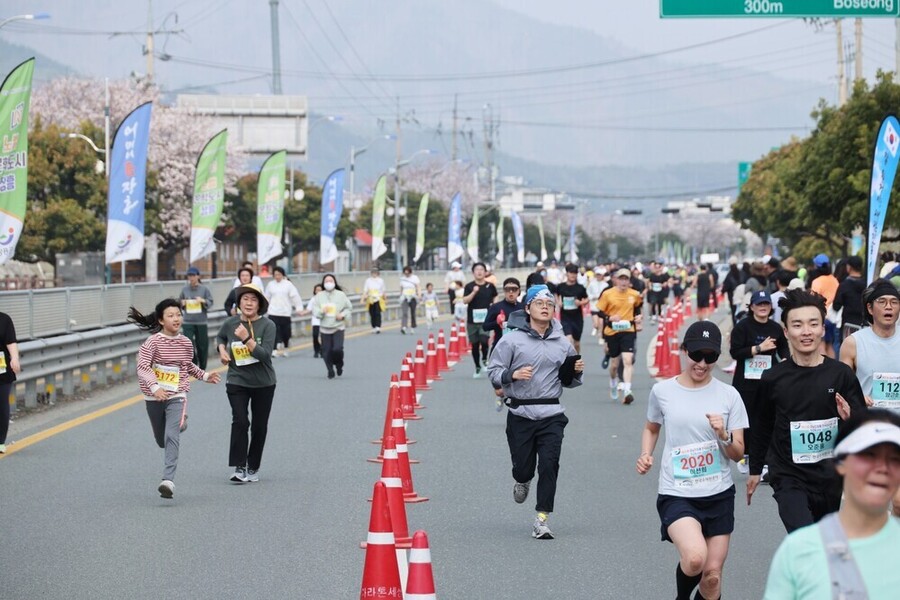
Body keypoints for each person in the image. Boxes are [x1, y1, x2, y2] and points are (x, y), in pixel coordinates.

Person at [637, 321, 748, 600]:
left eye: (710, 357)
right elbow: (652, 427)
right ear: (684, 350)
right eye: (696, 355)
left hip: (718, 493)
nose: (702, 363)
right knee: (696, 558)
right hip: (678, 492)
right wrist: (646, 453)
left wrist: (723, 435)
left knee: (712, 578)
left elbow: (738, 453)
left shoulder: (730, 395)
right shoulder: (663, 391)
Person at [747, 288, 867, 532]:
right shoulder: (772, 378)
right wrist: (755, 470)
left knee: (823, 541)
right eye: (797, 325)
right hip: (788, 476)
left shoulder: (841, 374)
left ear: (823, 328)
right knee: (805, 536)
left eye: (813, 324)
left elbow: (864, 426)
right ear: (786, 331)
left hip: (830, 477)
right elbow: (762, 425)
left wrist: (850, 419)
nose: (806, 331)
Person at [763, 410, 900, 599]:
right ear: (840, 462)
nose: (882, 468)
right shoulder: (798, 550)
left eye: (895, 459)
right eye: (869, 455)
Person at [487, 284, 584, 540]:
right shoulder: (511, 340)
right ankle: (522, 479)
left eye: (549, 304)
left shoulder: (563, 343)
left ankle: (542, 519)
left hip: (552, 413)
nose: (545, 307)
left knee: (550, 465)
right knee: (523, 468)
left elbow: (570, 381)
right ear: (528, 308)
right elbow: (493, 372)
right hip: (521, 413)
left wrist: (576, 371)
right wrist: (512, 374)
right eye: (539, 303)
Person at [130, 299, 221, 498]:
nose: (176, 319)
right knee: (161, 440)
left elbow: (187, 366)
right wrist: (155, 388)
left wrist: (205, 376)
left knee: (171, 436)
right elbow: (142, 367)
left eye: (178, 315)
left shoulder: (186, 342)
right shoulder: (152, 342)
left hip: (177, 394)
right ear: (161, 320)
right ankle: (181, 423)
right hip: (153, 395)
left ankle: (168, 481)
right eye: (170, 315)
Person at [840, 278, 900, 515]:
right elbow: (842, 387)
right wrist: (858, 397)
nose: (889, 307)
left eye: (894, 302)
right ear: (870, 308)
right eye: (882, 302)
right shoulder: (853, 343)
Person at [216, 283, 277, 483]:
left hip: (263, 383)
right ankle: (239, 466)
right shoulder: (230, 323)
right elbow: (220, 337)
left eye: (253, 300)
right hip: (237, 380)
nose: (249, 303)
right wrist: (222, 350)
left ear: (259, 305)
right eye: (245, 299)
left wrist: (247, 339)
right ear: (239, 303)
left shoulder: (268, 325)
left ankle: (253, 466)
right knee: (240, 421)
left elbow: (265, 355)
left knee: (259, 426)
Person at [728, 290, 789, 474]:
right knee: (746, 419)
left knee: (767, 418)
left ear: (771, 307)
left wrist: (785, 361)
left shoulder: (775, 328)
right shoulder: (743, 327)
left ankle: (765, 460)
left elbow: (784, 349)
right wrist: (758, 348)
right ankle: (746, 454)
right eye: (759, 304)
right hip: (745, 383)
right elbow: (735, 352)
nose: (763, 307)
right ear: (752, 307)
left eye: (766, 304)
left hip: (768, 381)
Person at [597, 268, 643, 405]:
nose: (623, 282)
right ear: (616, 280)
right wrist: (609, 317)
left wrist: (639, 317)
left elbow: (637, 308)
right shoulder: (608, 294)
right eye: (621, 279)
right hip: (612, 331)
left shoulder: (634, 294)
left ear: (629, 281)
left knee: (628, 360)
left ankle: (627, 390)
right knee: (614, 365)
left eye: (626, 279)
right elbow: (600, 312)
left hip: (628, 330)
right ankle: (613, 382)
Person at [312, 274, 352, 379]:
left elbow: (349, 308)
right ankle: (330, 370)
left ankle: (339, 364)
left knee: (337, 349)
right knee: (326, 351)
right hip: (325, 327)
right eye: (326, 281)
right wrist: (322, 311)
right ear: (323, 283)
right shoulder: (319, 296)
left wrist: (342, 315)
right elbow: (315, 311)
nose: (329, 283)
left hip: (338, 327)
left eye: (331, 281)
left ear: (334, 282)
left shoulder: (341, 295)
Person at [463, 262, 498, 378]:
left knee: (484, 340)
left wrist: (494, 305)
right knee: (474, 344)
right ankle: (477, 366)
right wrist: (474, 292)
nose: (479, 272)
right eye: (477, 270)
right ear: (473, 272)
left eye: (481, 269)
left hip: (485, 320)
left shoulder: (490, 286)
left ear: (485, 272)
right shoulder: (469, 286)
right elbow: (465, 301)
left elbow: (495, 296)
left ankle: (484, 358)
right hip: (472, 320)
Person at [178, 267, 214, 370]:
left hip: (201, 321)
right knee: (188, 344)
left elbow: (211, 302)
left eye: (193, 275)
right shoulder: (184, 289)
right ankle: (193, 364)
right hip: (187, 321)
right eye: (189, 276)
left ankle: (202, 367)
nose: (191, 278)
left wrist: (203, 301)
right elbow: (179, 302)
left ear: (198, 276)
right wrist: (182, 303)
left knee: (202, 345)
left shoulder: (204, 289)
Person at [264, 266, 304, 358]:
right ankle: (274, 350)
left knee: (286, 332)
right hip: (273, 312)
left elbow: (295, 297)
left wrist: (299, 308)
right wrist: (263, 308)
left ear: (283, 275)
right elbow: (267, 297)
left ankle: (286, 348)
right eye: (275, 275)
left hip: (285, 313)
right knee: (274, 331)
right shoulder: (270, 285)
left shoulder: (288, 285)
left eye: (279, 274)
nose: (277, 276)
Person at [809, 253, 840, 358]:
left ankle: (823, 366)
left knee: (821, 345)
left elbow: (813, 300)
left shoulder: (817, 282)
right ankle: (832, 366)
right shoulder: (834, 280)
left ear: (816, 267)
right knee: (830, 345)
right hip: (833, 317)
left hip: (822, 316)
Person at [483, 277, 525, 352]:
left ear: (519, 291)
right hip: (500, 347)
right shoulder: (496, 307)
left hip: (519, 347)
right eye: (508, 289)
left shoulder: (524, 308)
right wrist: (497, 322)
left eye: (514, 289)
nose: (511, 292)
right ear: (504, 291)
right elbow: (485, 327)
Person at [555, 263, 589, 353]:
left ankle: (577, 358)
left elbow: (587, 299)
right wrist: (558, 302)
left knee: (576, 343)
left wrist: (580, 303)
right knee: (568, 339)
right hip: (565, 317)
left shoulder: (580, 288)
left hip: (577, 318)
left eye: (575, 273)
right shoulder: (561, 287)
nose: (573, 275)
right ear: (567, 273)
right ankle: (570, 359)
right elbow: (556, 295)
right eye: (571, 273)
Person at [0, 311, 21, 454]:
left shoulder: (4, 319)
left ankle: (0, 441)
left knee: (1, 405)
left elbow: (11, 341)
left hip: (2, 371)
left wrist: (14, 358)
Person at [832, 255, 867, 341]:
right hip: (864, 324)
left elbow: (836, 306)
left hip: (848, 325)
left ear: (849, 267)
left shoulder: (844, 285)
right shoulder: (867, 284)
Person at [362, 267, 386, 333]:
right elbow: (365, 290)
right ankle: (373, 326)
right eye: (373, 273)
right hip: (370, 298)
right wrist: (363, 298)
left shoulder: (381, 280)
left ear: (378, 273)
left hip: (378, 298)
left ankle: (378, 326)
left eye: (375, 273)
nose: (374, 274)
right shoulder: (368, 280)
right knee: (372, 313)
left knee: (377, 312)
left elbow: (383, 290)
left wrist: (385, 297)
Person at [399, 266, 421, 335]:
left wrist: (419, 295)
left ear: (410, 272)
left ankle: (412, 327)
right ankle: (404, 327)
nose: (406, 275)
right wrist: (400, 296)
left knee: (412, 312)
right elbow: (401, 288)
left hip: (412, 297)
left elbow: (418, 287)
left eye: (408, 273)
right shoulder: (402, 279)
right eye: (405, 273)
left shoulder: (415, 278)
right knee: (404, 312)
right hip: (405, 297)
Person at [307, 283, 323, 358]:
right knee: (315, 335)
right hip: (315, 321)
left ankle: (323, 350)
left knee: (323, 337)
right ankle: (316, 350)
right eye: (317, 290)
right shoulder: (313, 299)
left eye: (320, 290)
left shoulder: (326, 299)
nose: (318, 291)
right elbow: (309, 309)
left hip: (324, 321)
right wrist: (302, 312)